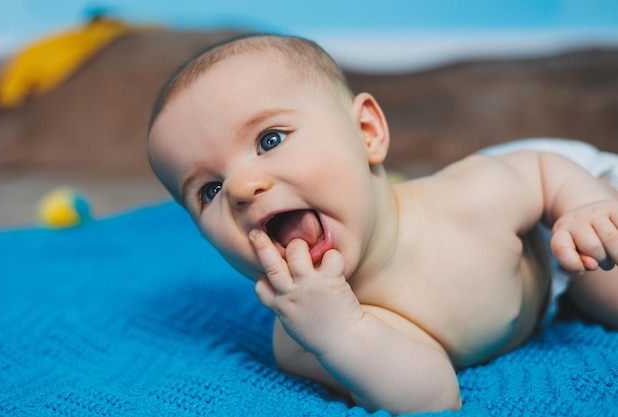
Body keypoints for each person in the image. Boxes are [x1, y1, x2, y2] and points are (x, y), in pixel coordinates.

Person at [147, 34, 618, 414]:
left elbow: (544, 170)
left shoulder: (470, 198)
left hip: (552, 213)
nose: (241, 187)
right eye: (208, 190)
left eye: (270, 139)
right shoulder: (305, 338)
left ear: (366, 133)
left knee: (602, 278)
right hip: (534, 297)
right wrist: (343, 333)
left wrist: (584, 207)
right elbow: (434, 399)